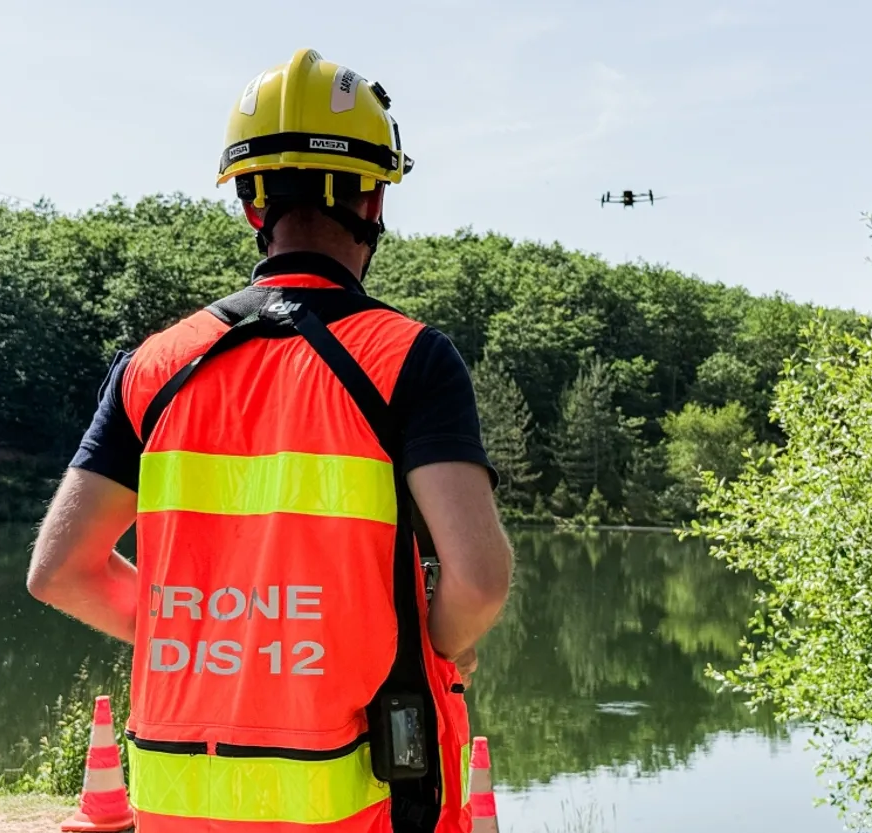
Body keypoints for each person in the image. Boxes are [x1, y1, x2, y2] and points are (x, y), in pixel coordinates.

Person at [26, 47, 513, 833]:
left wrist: (230, 638)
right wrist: (435, 641)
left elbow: (60, 572)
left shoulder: (153, 367)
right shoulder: (410, 361)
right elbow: (480, 581)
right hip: (358, 801)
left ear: (253, 205)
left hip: (179, 804)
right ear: (375, 200)